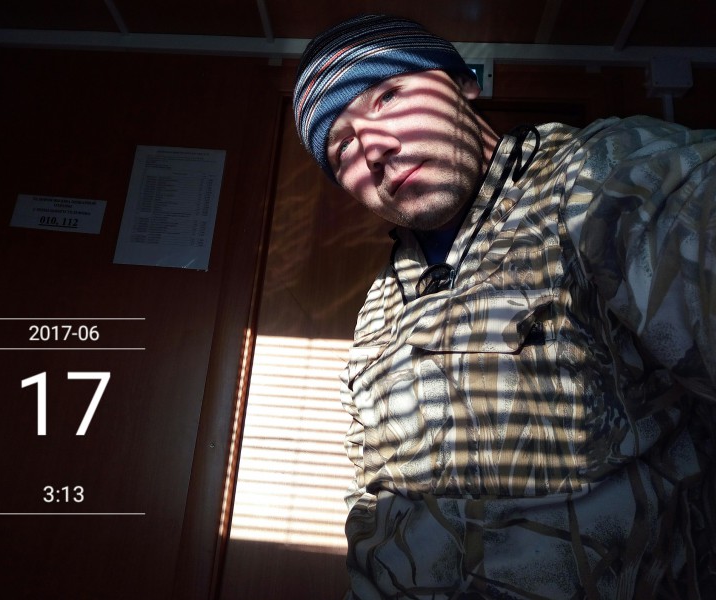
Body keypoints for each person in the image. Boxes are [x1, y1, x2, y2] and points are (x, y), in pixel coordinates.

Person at [293, 14, 716, 600]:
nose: (374, 148)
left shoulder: (598, 178)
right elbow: (373, 497)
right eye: (341, 146)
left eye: (387, 96)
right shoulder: (377, 308)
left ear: (464, 82)